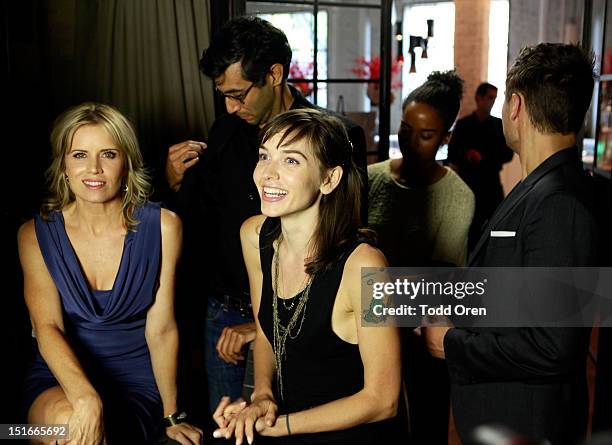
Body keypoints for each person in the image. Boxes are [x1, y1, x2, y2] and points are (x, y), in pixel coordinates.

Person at [164, 16, 367, 414]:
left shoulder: (333, 135)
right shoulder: (223, 132)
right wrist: (173, 183)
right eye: (224, 94)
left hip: (304, 316)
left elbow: (342, 242)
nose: (230, 106)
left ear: (274, 74)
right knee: (229, 429)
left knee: (290, 417)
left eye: (239, 94)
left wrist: (262, 323)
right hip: (223, 313)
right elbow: (204, 224)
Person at [423, 43, 599, 445]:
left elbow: (552, 346)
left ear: (515, 106)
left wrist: (452, 343)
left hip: (525, 424)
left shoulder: (559, 201)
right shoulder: (539, 186)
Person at [212, 108, 401, 445]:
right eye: (264, 156)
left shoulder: (367, 267)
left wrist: (279, 426)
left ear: (329, 179)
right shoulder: (254, 236)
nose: (268, 174)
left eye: (291, 161)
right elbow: (266, 328)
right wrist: (262, 398)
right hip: (285, 424)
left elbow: (382, 400)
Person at [19, 103, 202, 444]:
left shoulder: (163, 228)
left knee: (71, 430)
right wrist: (87, 398)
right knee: (67, 423)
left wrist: (172, 414)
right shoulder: (34, 234)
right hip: (61, 377)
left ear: (127, 163)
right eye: (79, 155)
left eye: (108, 154)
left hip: (134, 382)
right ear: (63, 166)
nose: (94, 169)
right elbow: (47, 328)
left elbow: (161, 329)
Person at [367, 71, 474, 444]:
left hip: (422, 331)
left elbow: (440, 284)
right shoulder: (369, 179)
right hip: (364, 331)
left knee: (427, 423)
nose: (411, 143)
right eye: (405, 129)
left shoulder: (457, 197)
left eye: (426, 136)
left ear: (446, 138)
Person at [447, 82, 514, 251]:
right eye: (489, 97)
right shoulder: (463, 125)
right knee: (468, 228)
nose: (492, 102)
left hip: (491, 183)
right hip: (468, 184)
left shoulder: (498, 126)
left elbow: (508, 154)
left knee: (496, 226)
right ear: (479, 98)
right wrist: (466, 156)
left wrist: (484, 158)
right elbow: (452, 154)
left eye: (495, 98)